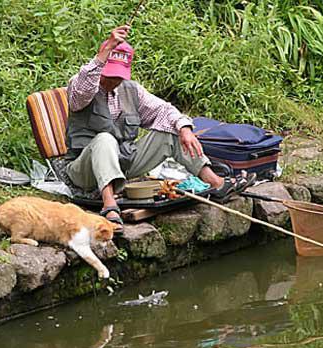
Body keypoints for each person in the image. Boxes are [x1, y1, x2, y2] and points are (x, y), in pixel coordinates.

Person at [65, 25, 254, 231]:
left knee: (171, 132)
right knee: (104, 139)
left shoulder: (131, 90)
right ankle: (109, 204)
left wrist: (184, 129)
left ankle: (216, 183)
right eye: (109, 75)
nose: (113, 81)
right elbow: (82, 90)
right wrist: (106, 49)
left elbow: (163, 110)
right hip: (84, 170)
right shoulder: (82, 85)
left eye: (118, 77)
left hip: (122, 162)